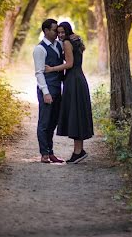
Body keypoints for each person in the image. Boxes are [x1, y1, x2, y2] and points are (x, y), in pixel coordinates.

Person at [47, 21, 93, 163]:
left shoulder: (67, 42)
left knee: (75, 114)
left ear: (67, 31)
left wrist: (51, 69)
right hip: (79, 78)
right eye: (58, 32)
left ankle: (78, 152)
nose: (60, 35)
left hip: (73, 79)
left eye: (62, 32)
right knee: (77, 113)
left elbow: (69, 64)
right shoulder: (77, 38)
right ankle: (79, 151)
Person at [33, 18, 65, 163]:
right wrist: (45, 93)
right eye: (54, 30)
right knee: (44, 122)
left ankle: (50, 151)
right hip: (47, 90)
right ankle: (44, 153)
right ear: (46, 31)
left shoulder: (58, 45)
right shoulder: (39, 49)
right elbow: (39, 72)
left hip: (58, 89)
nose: (57, 33)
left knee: (53, 122)